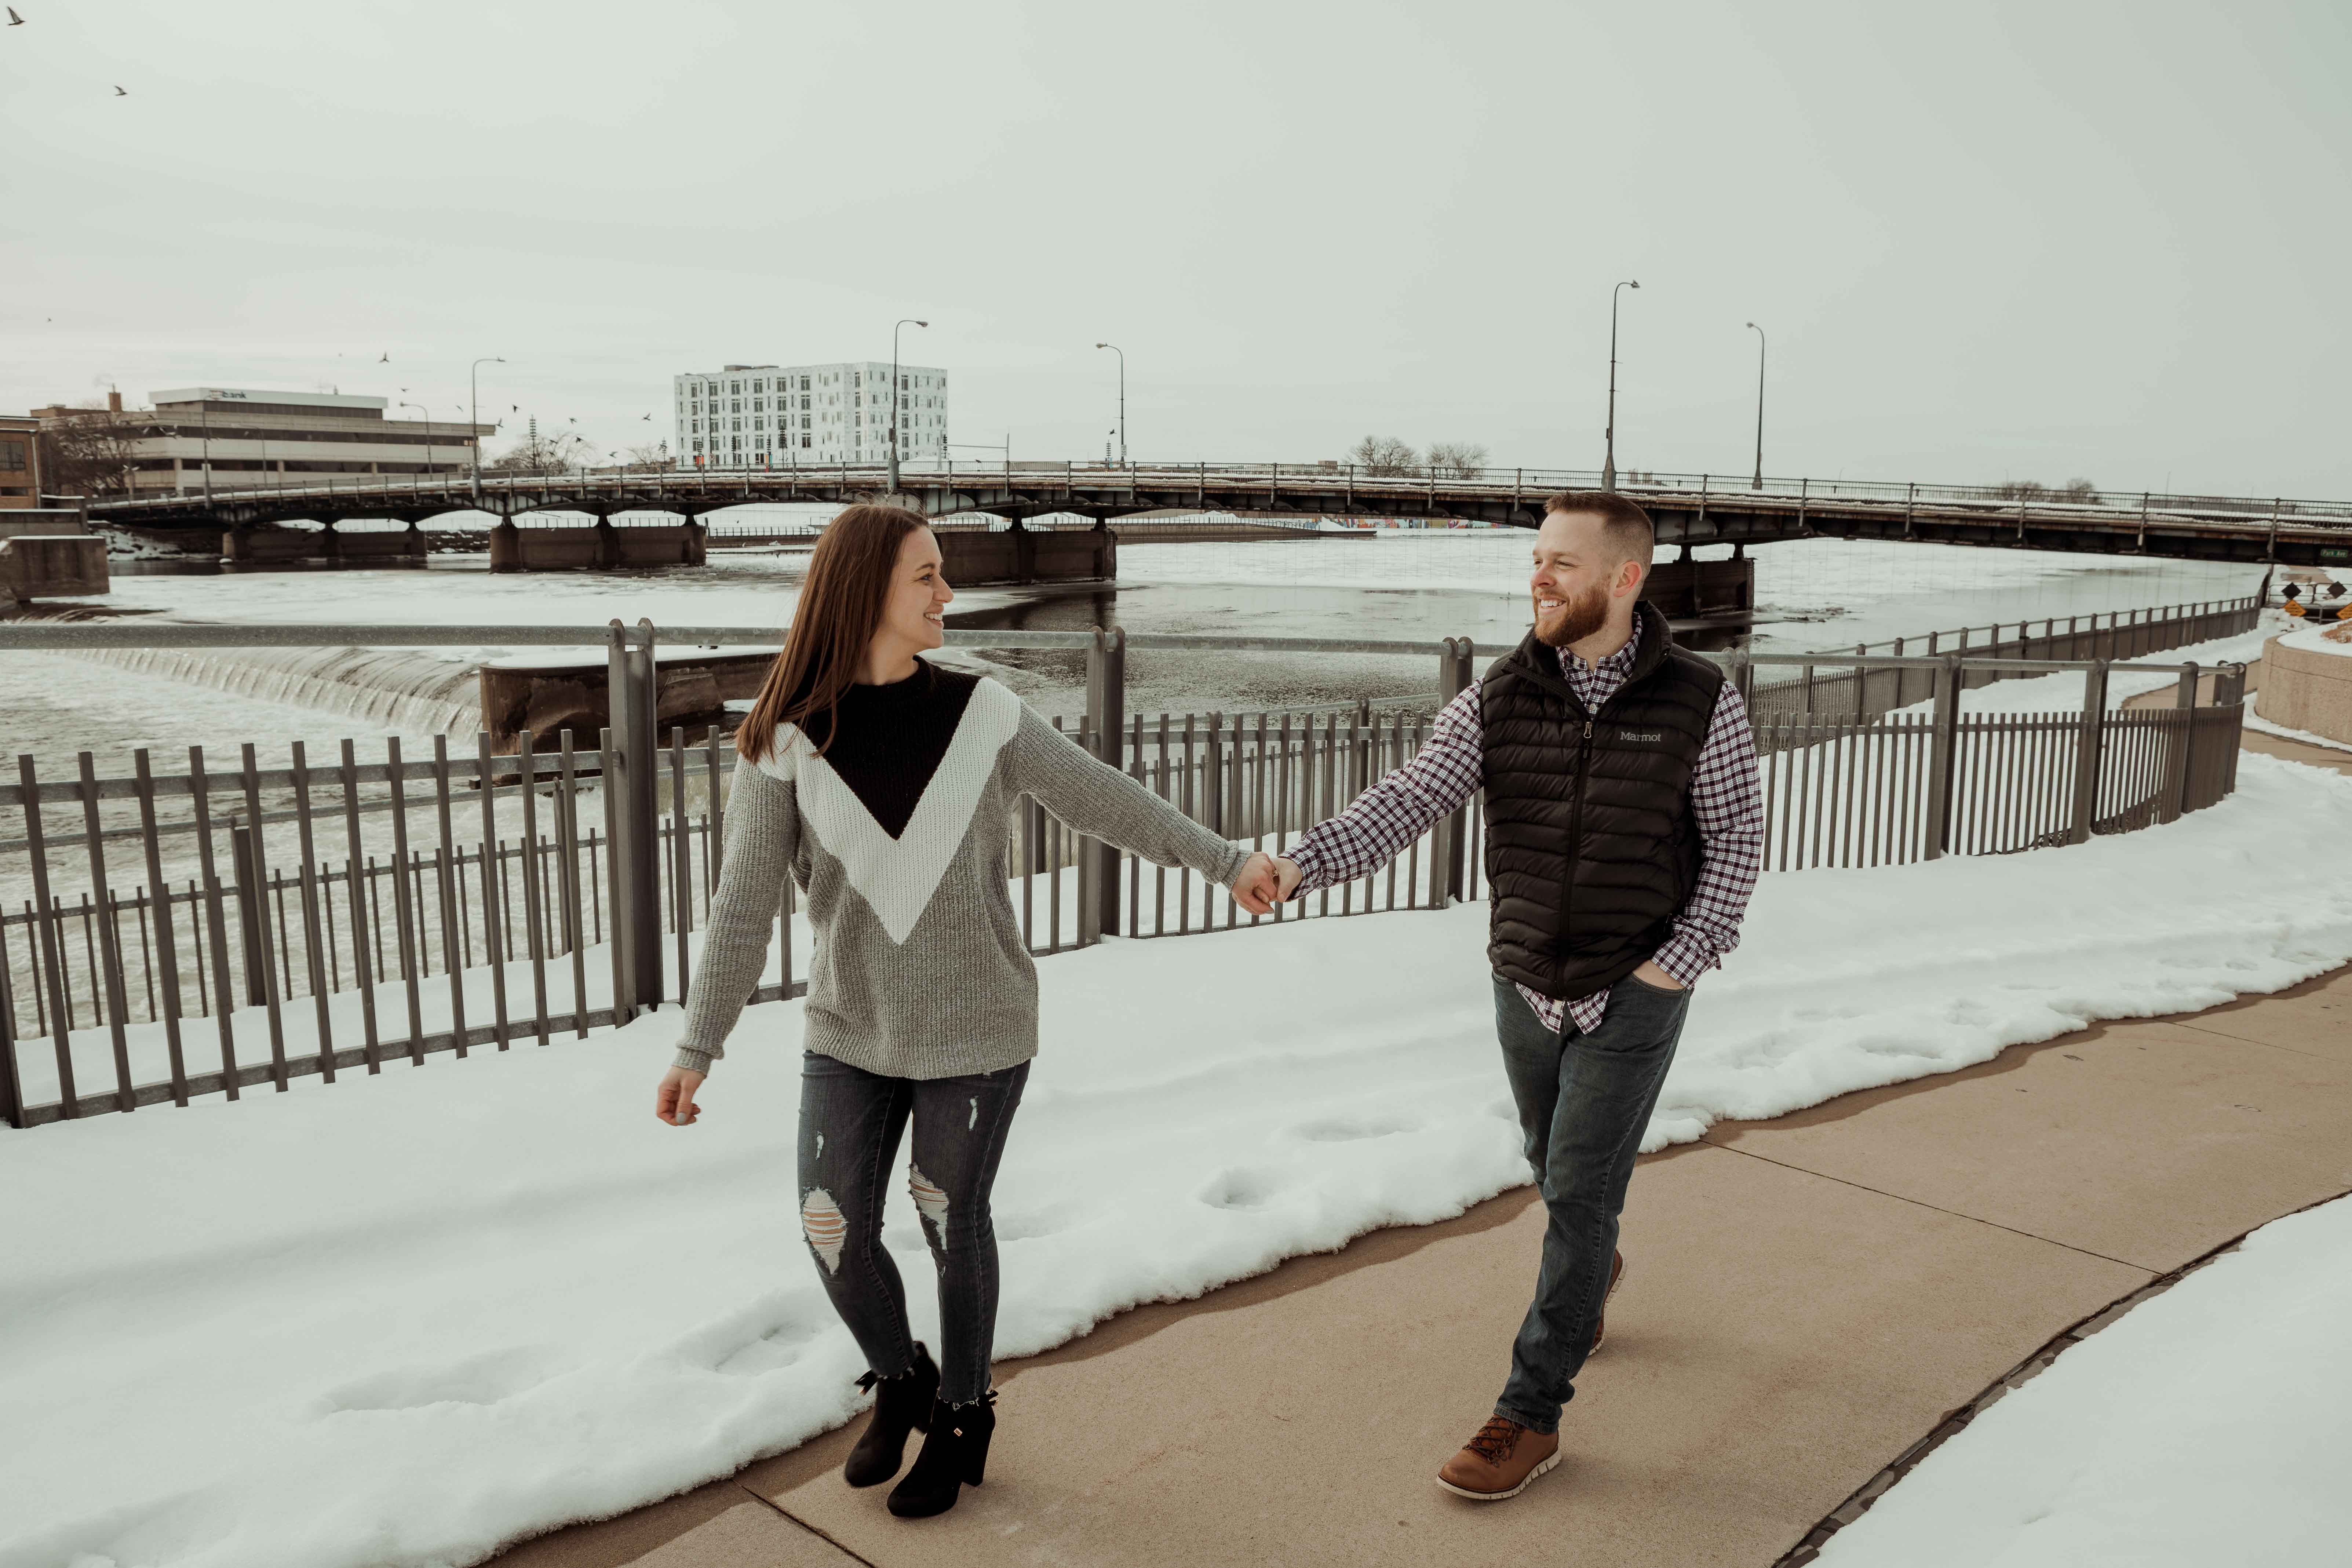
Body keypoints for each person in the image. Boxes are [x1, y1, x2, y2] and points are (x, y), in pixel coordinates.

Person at [655, 503, 1280, 1520]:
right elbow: (741, 902)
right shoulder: (782, 739)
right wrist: (698, 1043)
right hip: (850, 1028)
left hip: (978, 1026)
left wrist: (1224, 860)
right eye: (927, 576)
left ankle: (961, 1410)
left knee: (949, 1215)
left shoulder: (985, 713)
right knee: (829, 1225)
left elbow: (1102, 798)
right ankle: (902, 1377)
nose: (948, 593)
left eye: (943, 575)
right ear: (866, 590)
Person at [1246, 491, 1763, 1502]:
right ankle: (1593, 1269)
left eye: (1562, 563)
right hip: (1523, 979)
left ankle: (1529, 1414)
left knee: (1579, 1191)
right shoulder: (1502, 692)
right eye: (1536, 559)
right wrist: (1302, 863)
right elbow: (1412, 795)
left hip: (1635, 985)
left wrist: (1678, 962)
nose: (1539, 579)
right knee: (1550, 1164)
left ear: (1625, 578)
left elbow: (1737, 840)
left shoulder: (1701, 697)